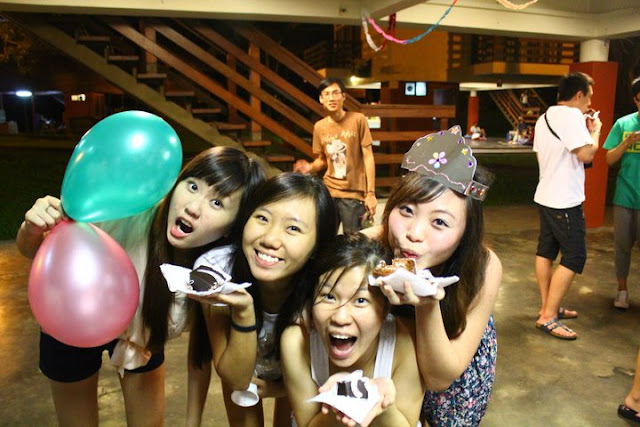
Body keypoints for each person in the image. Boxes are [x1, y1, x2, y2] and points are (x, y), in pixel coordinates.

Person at [16, 146, 265, 426]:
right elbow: (32, 249)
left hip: (140, 335)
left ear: (233, 225)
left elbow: (201, 355)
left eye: (217, 203)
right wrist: (32, 227)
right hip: (71, 319)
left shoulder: (215, 268)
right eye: (193, 186)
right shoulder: (125, 207)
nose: (193, 207)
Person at [361, 126, 502, 426]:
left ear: (466, 233)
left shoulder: (483, 266)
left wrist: (427, 304)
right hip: (391, 367)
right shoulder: (369, 248)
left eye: (439, 222)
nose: (413, 233)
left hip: (451, 375)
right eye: (406, 210)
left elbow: (440, 378)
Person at [187, 172, 338, 426]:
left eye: (293, 228)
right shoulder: (217, 271)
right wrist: (243, 312)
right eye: (262, 218)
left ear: (318, 246)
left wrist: (283, 388)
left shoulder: (327, 284)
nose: (269, 239)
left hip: (301, 373)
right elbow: (235, 378)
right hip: (242, 366)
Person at [281, 233, 425, 427]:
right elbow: (307, 423)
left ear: (385, 309)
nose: (340, 318)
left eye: (361, 300)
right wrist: (339, 404)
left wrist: (382, 405)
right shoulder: (296, 341)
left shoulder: (406, 342)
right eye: (329, 297)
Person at [532, 72, 601, 340]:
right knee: (574, 256)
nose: (590, 104)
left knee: (546, 251)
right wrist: (594, 131)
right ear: (579, 94)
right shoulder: (572, 117)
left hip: (546, 194)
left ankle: (547, 306)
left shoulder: (544, 117)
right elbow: (587, 154)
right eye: (589, 97)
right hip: (565, 199)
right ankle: (548, 316)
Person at [293, 77, 377, 233]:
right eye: (326, 94)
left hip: (353, 193)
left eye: (335, 93)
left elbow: (368, 157)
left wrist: (370, 193)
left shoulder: (358, 120)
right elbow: (323, 160)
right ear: (321, 99)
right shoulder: (319, 127)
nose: (331, 98)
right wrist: (309, 167)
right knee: (324, 237)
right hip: (329, 190)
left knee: (352, 240)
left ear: (343, 96)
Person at [604, 76, 640, 310]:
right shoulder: (624, 123)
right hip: (625, 195)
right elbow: (609, 159)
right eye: (639, 100)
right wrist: (626, 143)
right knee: (622, 246)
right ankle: (622, 291)